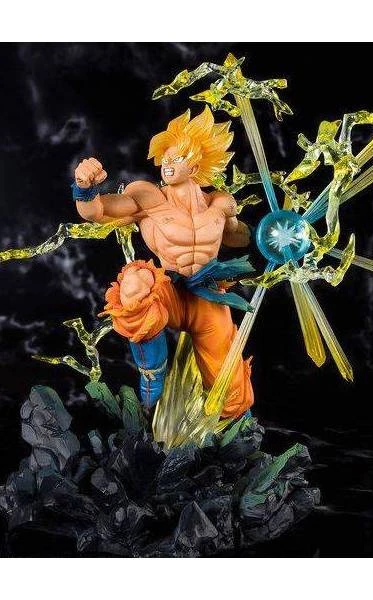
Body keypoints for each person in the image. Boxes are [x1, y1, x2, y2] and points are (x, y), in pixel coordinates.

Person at [71, 107, 254, 419]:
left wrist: (282, 236)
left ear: (195, 165)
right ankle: (152, 378)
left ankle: (236, 426)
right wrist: (84, 187)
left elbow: (241, 237)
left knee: (229, 386)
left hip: (208, 296)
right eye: (166, 157)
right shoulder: (149, 198)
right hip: (169, 291)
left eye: (177, 158)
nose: (167, 163)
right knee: (135, 282)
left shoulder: (221, 203)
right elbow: (96, 212)